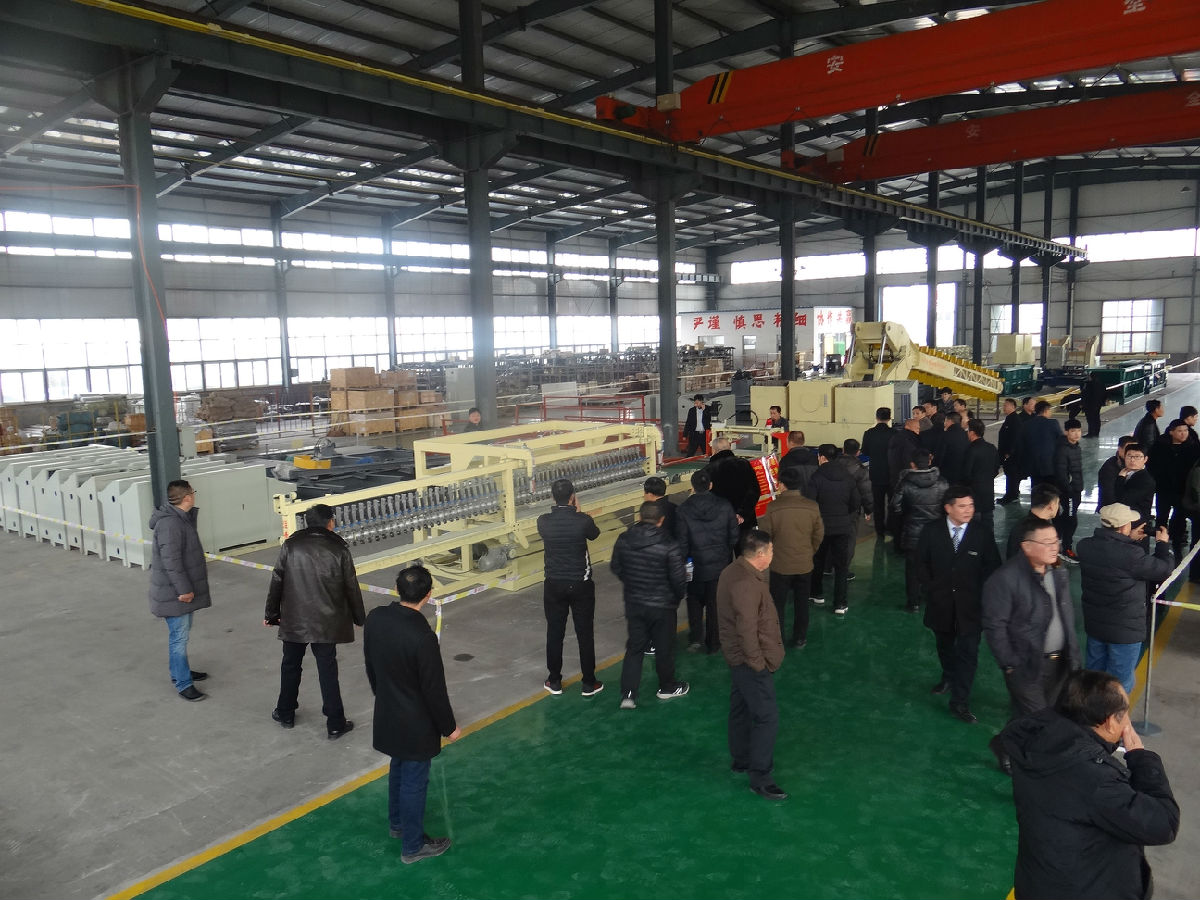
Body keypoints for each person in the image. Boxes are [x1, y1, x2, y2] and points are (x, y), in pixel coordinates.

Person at [1000, 670, 1179, 900]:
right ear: (1109, 722)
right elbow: (1164, 824)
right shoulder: (1096, 780)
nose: (1127, 720)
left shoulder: (1037, 744)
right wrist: (1142, 759)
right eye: (1124, 713)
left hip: (1039, 884)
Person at [363, 565, 461, 864]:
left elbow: (370, 664)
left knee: (398, 766)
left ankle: (398, 824)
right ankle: (413, 846)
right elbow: (434, 690)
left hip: (389, 711)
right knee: (414, 781)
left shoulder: (376, 618)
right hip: (415, 723)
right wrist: (449, 727)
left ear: (397, 589)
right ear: (428, 595)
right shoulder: (423, 637)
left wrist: (383, 695)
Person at [982, 518, 1081, 774]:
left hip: (1060, 662)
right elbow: (995, 626)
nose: (1054, 547)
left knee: (1030, 715)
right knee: (1042, 719)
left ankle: (1003, 744)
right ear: (1026, 546)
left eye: (1056, 541)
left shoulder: (1057, 571)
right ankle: (1040, 767)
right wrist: (1009, 663)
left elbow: (1065, 613)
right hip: (1026, 664)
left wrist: (1073, 652)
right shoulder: (1005, 579)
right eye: (1046, 542)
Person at [264, 503, 365, 738]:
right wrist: (359, 617)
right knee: (327, 670)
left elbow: (277, 580)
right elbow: (351, 586)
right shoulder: (339, 548)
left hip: (294, 618)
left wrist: (271, 614)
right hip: (326, 621)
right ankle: (335, 724)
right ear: (330, 522)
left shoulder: (291, 545)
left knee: (290, 665)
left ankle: (285, 713)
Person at [915, 486, 1001, 724]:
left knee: (968, 653)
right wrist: (931, 588)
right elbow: (920, 563)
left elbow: (992, 566)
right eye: (962, 506)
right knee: (944, 646)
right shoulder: (931, 531)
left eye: (971, 505)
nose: (968, 510)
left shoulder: (981, 533)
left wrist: (981, 594)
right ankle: (948, 676)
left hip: (971, 608)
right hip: (941, 604)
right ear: (948, 508)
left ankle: (960, 701)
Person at [716, 528, 786, 800]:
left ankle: (741, 759)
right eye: (771, 551)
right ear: (761, 554)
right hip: (748, 661)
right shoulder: (747, 584)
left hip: (737, 658)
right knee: (766, 716)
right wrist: (758, 663)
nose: (773, 555)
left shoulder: (733, 571)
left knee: (740, 707)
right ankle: (761, 778)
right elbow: (747, 630)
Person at [1076, 504, 1173, 693]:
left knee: (1093, 678)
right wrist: (1162, 545)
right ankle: (1113, 712)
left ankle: (1090, 710)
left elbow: (1115, 558)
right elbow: (1163, 569)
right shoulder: (1131, 555)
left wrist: (1127, 540)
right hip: (1124, 631)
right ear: (1123, 527)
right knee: (1118, 685)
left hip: (1096, 626)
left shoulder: (1085, 546)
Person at [612, 502, 689, 709]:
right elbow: (678, 579)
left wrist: (632, 583)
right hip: (663, 606)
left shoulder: (624, 539)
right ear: (661, 520)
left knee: (635, 647)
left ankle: (628, 694)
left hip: (634, 603)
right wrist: (676, 598)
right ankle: (667, 687)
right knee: (664, 648)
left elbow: (616, 566)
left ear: (639, 517)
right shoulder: (669, 544)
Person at [536, 478, 602, 697]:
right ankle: (589, 682)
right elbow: (594, 534)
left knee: (555, 633)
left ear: (552, 497)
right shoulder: (583, 521)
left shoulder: (543, 521)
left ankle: (554, 680)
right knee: (585, 633)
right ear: (573, 497)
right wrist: (579, 512)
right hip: (581, 583)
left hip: (554, 584)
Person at [148, 479, 211, 702]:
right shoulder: (171, 525)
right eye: (193, 492)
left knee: (181, 635)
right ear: (187, 497)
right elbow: (171, 561)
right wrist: (184, 590)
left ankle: (180, 670)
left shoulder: (180, 519)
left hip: (176, 590)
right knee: (179, 637)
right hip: (175, 593)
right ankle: (183, 683)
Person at [758, 466, 824, 649]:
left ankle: (778, 638)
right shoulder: (812, 506)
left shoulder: (773, 508)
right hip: (804, 564)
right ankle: (800, 638)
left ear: (782, 485)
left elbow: (765, 536)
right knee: (801, 603)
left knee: (778, 604)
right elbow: (818, 534)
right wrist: (809, 551)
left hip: (780, 565)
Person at [676, 469, 739, 654]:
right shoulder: (725, 506)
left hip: (694, 566)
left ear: (692, 487)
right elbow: (734, 536)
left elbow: (682, 543)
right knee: (715, 604)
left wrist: (684, 562)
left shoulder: (683, 509)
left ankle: (695, 638)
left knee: (694, 600)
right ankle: (714, 642)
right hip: (719, 566)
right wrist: (724, 553)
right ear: (710, 485)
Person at [805, 444, 861, 616]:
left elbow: (810, 502)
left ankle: (817, 594)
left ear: (822, 457)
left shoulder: (816, 477)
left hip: (821, 527)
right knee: (841, 566)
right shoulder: (848, 477)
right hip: (843, 527)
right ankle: (840, 603)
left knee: (818, 561)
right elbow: (855, 502)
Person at [891, 450, 949, 612]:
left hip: (913, 532)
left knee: (912, 569)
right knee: (935, 566)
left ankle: (913, 602)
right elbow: (948, 506)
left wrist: (904, 515)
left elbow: (895, 506)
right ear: (929, 462)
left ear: (912, 464)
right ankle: (932, 597)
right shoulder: (942, 483)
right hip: (936, 533)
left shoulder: (905, 483)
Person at [1149, 419, 1198, 560]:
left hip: (1183, 490)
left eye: (1186, 430)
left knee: (1180, 516)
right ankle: (1161, 542)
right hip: (1164, 489)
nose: (1183, 434)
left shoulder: (1193, 447)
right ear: (1171, 432)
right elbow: (1151, 465)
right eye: (1180, 431)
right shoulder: (1160, 446)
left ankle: (1177, 542)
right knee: (1162, 516)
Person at [708, 436, 761, 530]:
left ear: (714, 450)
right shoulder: (744, 464)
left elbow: (707, 498)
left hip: (721, 523)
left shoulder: (709, 470)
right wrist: (742, 514)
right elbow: (755, 491)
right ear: (729, 448)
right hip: (745, 521)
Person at [1053, 419, 1084, 560]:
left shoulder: (1076, 447)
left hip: (1076, 489)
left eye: (1078, 430)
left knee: (1068, 516)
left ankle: (1057, 537)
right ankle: (1066, 549)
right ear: (1066, 432)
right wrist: (1069, 489)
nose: (1076, 434)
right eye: (1073, 431)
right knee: (1072, 520)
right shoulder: (1062, 449)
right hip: (1068, 491)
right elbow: (1061, 473)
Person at [861, 406, 893, 538]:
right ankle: (891, 527)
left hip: (876, 472)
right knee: (892, 502)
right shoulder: (894, 433)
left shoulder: (869, 433)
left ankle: (880, 530)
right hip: (891, 473)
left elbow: (865, 451)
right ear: (889, 418)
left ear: (876, 417)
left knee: (878, 503)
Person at [1006, 483, 1062, 559]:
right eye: (1057, 503)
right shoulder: (1037, 533)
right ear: (1051, 506)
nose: (1058, 507)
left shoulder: (1022, 526)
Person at [963, 418, 999, 529]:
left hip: (974, 493)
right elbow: (996, 469)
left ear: (972, 433)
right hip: (988, 492)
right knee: (988, 524)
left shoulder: (970, 450)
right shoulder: (991, 448)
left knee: (975, 527)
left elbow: (966, 473)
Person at [1018, 400, 1062, 489]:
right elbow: (1061, 441)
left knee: (1036, 490)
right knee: (1051, 490)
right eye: (1050, 410)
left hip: (1033, 466)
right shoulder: (1053, 423)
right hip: (1050, 465)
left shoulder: (1026, 424)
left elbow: (1022, 444)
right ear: (1046, 410)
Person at [1115, 443, 1156, 529]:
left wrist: (1120, 479)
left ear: (1145, 459)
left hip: (1137, 520)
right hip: (1123, 515)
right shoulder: (1124, 472)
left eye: (1137, 457)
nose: (1132, 460)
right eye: (1129, 456)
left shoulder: (1145, 480)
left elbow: (1124, 500)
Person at [996, 398, 1024, 504]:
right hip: (1009, 454)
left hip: (1012, 455)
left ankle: (1011, 495)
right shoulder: (1010, 418)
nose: (1004, 407)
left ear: (1013, 406)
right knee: (1010, 475)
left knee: (1012, 475)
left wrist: (1009, 453)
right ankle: (1011, 494)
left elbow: (1015, 438)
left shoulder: (1014, 420)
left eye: (1006, 405)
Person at [1097, 435, 1135, 510]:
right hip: (1113, 510)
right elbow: (1108, 496)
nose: (1132, 453)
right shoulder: (1109, 468)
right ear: (1119, 449)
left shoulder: (1135, 464)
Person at [1079, 372, 1105, 438]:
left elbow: (1084, 394)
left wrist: (1082, 404)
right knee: (1096, 418)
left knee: (1090, 419)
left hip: (1089, 405)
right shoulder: (1101, 384)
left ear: (1091, 377)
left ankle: (1091, 433)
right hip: (1098, 404)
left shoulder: (1088, 384)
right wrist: (1102, 402)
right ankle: (1096, 432)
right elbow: (1104, 394)